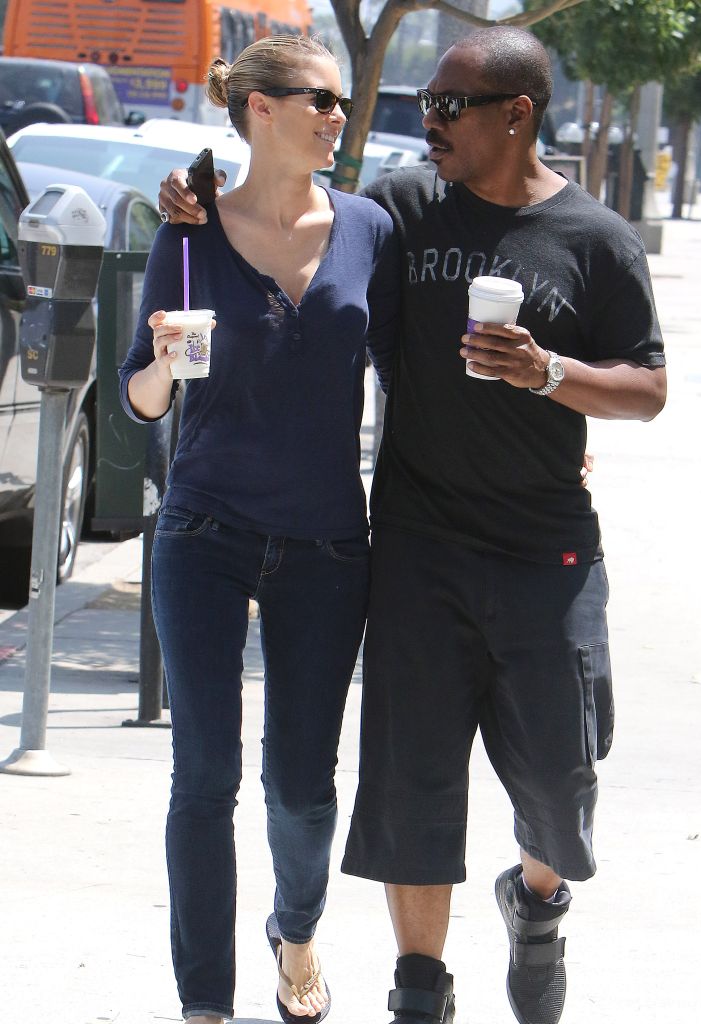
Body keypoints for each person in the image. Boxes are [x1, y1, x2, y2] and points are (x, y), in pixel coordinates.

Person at [159, 26, 666, 1024]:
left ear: (514, 115)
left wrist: (552, 375)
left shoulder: (597, 239)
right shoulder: (401, 211)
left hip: (545, 549)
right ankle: (418, 988)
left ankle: (535, 896)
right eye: (424, 106)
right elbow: (306, 242)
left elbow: (647, 387)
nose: (423, 123)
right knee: (411, 791)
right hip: (416, 546)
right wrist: (196, 207)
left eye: (447, 108)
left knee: (560, 789)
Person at [119, 35, 398, 1024]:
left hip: (326, 537)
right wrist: (161, 362)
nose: (336, 112)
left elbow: (410, 371)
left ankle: (297, 925)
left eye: (339, 99)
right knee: (203, 772)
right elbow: (141, 401)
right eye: (317, 98)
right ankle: (205, 1003)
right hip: (204, 523)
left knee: (300, 786)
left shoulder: (369, 226)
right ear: (260, 111)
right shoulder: (189, 230)